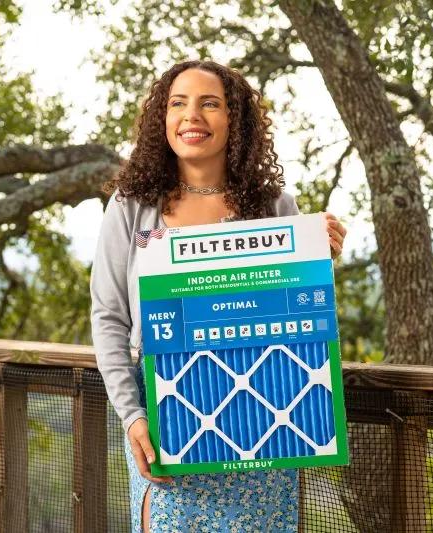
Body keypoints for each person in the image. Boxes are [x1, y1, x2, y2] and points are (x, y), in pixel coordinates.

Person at [90, 60, 346, 533]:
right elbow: (108, 318)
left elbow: (292, 309)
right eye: (178, 104)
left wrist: (317, 256)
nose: (192, 116)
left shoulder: (275, 207)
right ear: (161, 119)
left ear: (235, 119)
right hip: (167, 418)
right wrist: (132, 417)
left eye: (210, 103)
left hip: (263, 421)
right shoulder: (131, 205)